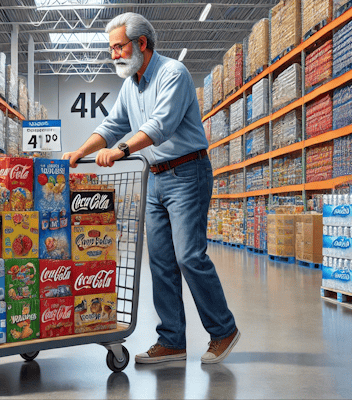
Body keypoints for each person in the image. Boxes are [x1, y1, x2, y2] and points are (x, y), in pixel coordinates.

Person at [62, 12, 239, 364]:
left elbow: (163, 124)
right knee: (160, 261)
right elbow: (113, 124)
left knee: (189, 255)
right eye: (111, 48)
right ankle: (172, 339)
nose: (114, 54)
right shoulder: (131, 86)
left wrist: (122, 150)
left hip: (188, 174)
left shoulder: (174, 73)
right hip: (155, 176)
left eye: (119, 47)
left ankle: (223, 330)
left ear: (141, 43)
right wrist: (82, 151)